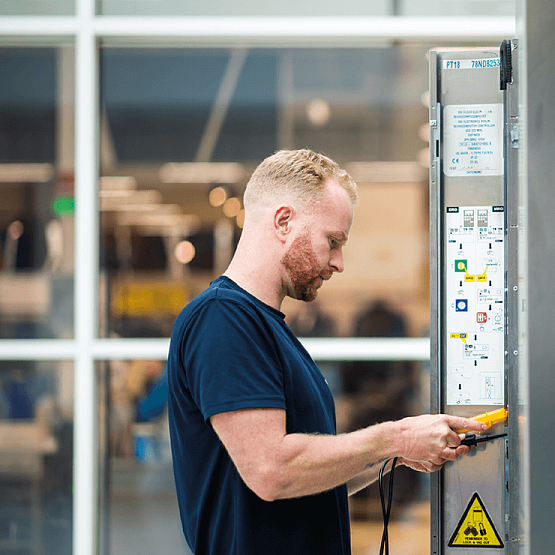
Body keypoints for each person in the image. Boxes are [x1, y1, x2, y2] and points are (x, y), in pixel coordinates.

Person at [167, 149, 486, 555]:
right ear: (283, 221)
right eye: (332, 241)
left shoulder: (270, 329)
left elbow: (308, 477)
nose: (339, 263)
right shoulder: (222, 320)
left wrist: (396, 455)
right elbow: (272, 471)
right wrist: (396, 435)